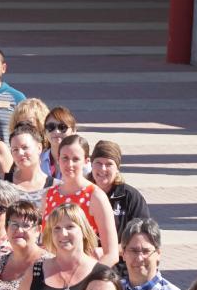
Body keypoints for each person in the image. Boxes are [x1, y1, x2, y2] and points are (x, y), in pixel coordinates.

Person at [41, 131, 119, 263]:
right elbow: (44, 241)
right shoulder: (48, 195)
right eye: (65, 158)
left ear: (86, 161)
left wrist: (87, 279)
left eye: (75, 159)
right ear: (58, 159)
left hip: (83, 270)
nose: (69, 164)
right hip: (52, 270)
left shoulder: (95, 196)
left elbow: (111, 254)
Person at [91, 139, 150, 249]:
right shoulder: (82, 193)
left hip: (122, 263)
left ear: (117, 168)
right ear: (91, 164)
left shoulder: (130, 197)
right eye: (98, 163)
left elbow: (143, 236)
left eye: (109, 164)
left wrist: (111, 252)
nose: (103, 169)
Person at [40, 104, 80, 181]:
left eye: (62, 127)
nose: (56, 131)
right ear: (45, 131)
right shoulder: (38, 160)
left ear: (74, 131)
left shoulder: (81, 161)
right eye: (51, 127)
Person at [7, 122, 45, 201]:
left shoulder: (56, 186)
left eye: (25, 147)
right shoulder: (1, 183)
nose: (20, 153)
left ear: (39, 148)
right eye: (15, 149)